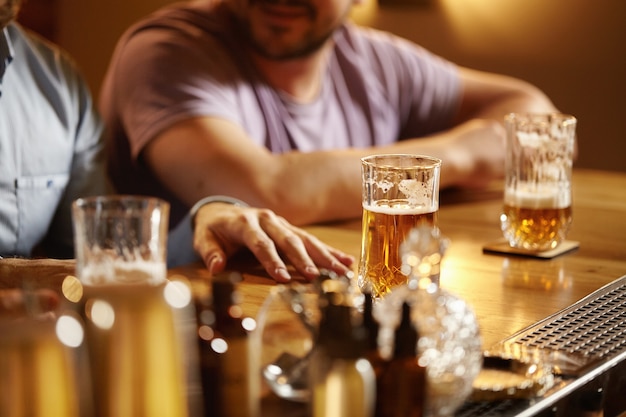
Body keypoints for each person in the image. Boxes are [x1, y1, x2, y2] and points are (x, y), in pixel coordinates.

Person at [99, 0, 559, 232]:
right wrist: (460, 156)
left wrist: (460, 154)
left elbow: (539, 117)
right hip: (207, 338)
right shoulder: (167, 51)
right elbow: (266, 193)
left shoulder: (374, 59)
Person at [0, 0, 353, 282]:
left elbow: (100, 254)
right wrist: (46, 275)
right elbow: (88, 270)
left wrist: (205, 222)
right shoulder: (166, 47)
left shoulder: (56, 81)